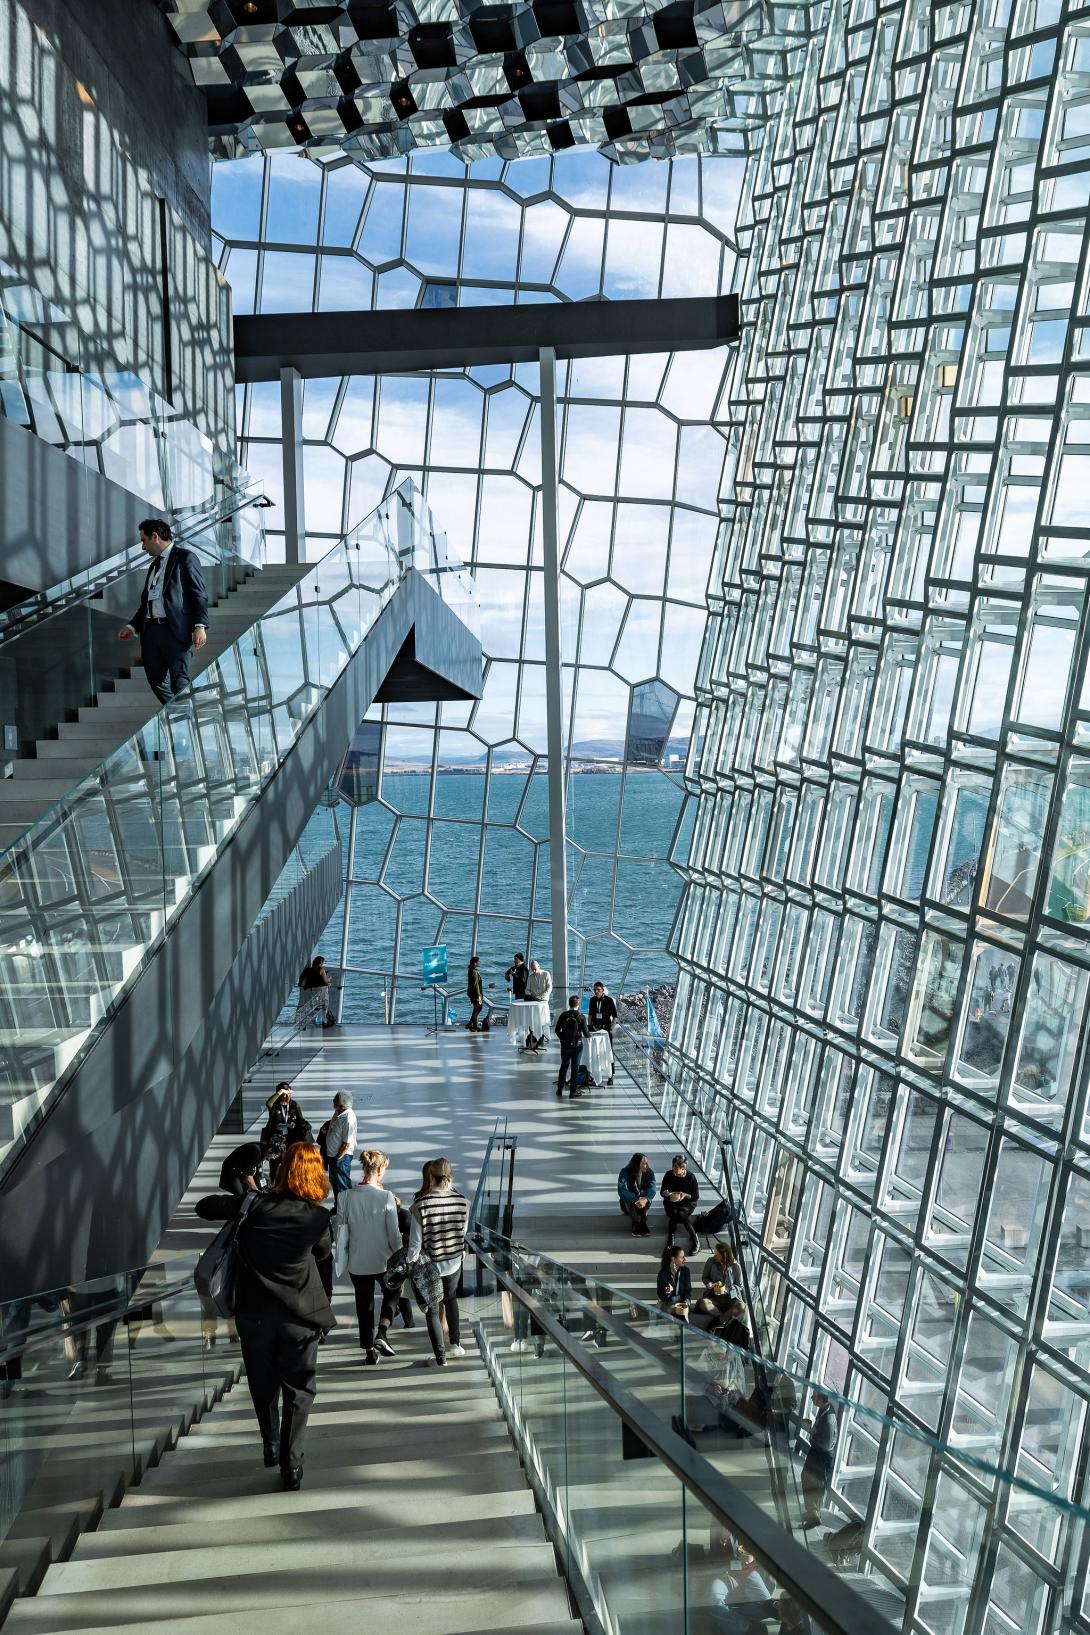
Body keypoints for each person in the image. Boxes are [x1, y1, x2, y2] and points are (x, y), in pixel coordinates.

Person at [195, 1142, 334, 1489]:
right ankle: (291, 1464)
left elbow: (204, 1207)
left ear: (284, 1169)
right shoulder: (317, 1217)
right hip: (300, 1318)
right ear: (317, 1175)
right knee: (300, 1390)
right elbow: (324, 1253)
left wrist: (246, 1190)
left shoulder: (254, 1207)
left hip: (253, 1315)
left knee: (262, 1384)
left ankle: (271, 1444)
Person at [118, 518, 208, 703]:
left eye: (144, 540)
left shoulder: (185, 557)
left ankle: (185, 718)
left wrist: (200, 626)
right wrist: (132, 626)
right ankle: (178, 713)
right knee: (156, 681)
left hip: (175, 629)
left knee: (179, 680)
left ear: (155, 536)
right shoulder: (154, 565)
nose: (143, 547)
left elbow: (199, 594)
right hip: (151, 632)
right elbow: (146, 603)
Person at [335, 1148, 402, 1365]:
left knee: (364, 1306)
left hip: (357, 1262)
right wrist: (400, 1254)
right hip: (383, 1260)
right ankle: (382, 1332)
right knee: (393, 1291)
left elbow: (341, 1229)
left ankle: (369, 1352)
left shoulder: (344, 1197)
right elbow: (393, 1235)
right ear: (380, 1169)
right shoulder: (386, 1197)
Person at [409, 1157, 469, 1366]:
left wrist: (410, 1263)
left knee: (432, 1310)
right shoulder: (463, 1202)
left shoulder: (421, 1205)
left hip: (430, 1265)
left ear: (430, 1177)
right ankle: (456, 1344)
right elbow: (463, 1233)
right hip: (453, 1261)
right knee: (451, 1299)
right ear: (450, 1176)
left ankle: (440, 1357)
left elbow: (415, 1244)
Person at [800, 1390, 838, 1527]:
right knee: (808, 1478)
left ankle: (814, 1517)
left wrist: (810, 1431)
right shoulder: (824, 1409)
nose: (811, 1398)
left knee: (814, 1483)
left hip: (821, 1455)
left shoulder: (828, 1419)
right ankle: (812, 1512)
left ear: (821, 1400)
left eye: (814, 1397)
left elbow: (825, 1444)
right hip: (818, 1453)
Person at [262, 1083, 312, 1161]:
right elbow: (269, 1103)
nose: (287, 1096)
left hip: (292, 1137)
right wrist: (281, 1091)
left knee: (291, 1161)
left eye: (289, 1093)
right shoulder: (275, 1106)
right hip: (277, 1138)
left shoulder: (294, 1105)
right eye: (285, 1094)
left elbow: (301, 1120)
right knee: (276, 1162)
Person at [661, 1154, 700, 1252]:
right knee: (674, 1213)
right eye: (673, 1166)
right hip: (671, 1202)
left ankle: (696, 1241)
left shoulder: (691, 1177)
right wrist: (665, 1193)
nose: (673, 1169)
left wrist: (685, 1195)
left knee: (681, 1213)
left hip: (687, 1203)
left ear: (683, 1168)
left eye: (676, 1167)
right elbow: (662, 1192)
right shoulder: (668, 1174)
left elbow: (695, 1196)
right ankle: (671, 1241)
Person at [696, 1241, 744, 1319]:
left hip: (730, 1298)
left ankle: (717, 1321)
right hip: (713, 1297)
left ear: (724, 1256)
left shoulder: (736, 1266)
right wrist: (708, 1283)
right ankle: (722, 1318)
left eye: (717, 1255)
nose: (714, 1256)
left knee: (741, 1306)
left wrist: (726, 1290)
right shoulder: (711, 1261)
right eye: (714, 1253)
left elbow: (739, 1286)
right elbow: (705, 1277)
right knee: (703, 1303)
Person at [554, 995, 589, 1097]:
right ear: (578, 1005)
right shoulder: (581, 1017)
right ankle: (572, 1091)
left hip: (565, 1045)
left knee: (563, 1066)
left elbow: (557, 1030)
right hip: (577, 1046)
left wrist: (563, 1039)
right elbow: (586, 1033)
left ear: (569, 1004)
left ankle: (559, 1089)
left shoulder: (563, 1015)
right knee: (575, 1068)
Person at [323, 1091, 356, 1198]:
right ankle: (338, 1206)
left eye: (335, 1103)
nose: (333, 1104)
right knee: (335, 1183)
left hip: (341, 1158)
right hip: (333, 1156)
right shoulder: (339, 1112)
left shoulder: (348, 1119)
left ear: (342, 1106)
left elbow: (346, 1144)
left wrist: (337, 1160)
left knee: (343, 1186)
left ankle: (346, 1210)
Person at [618, 1152, 656, 1235]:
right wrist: (636, 1200)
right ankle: (635, 1224)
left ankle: (643, 1222)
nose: (646, 1166)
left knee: (645, 1195)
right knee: (630, 1197)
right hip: (628, 1204)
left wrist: (645, 1199)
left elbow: (652, 1188)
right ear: (637, 1164)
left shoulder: (649, 1172)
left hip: (643, 1203)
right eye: (643, 1163)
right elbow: (622, 1190)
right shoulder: (625, 1172)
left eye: (647, 1163)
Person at [588, 981, 617, 1083]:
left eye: (598, 990)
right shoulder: (592, 1000)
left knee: (609, 1051)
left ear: (603, 990)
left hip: (606, 1029)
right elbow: (590, 1015)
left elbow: (615, 1016)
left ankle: (611, 1075)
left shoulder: (609, 1000)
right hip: (595, 1029)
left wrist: (612, 1028)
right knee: (594, 1051)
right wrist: (590, 1026)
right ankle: (593, 1073)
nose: (596, 992)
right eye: (595, 990)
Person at [295, 956, 332, 1029]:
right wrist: (329, 979)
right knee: (323, 1005)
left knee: (305, 1006)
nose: (322, 964)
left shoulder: (308, 970)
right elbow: (325, 981)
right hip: (319, 991)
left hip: (308, 991)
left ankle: (301, 1022)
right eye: (322, 962)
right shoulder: (321, 970)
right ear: (320, 963)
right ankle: (321, 1022)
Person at [524, 959, 552, 1049]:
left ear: (539, 966)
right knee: (533, 1019)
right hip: (533, 1001)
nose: (534, 971)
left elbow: (549, 988)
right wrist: (533, 996)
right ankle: (533, 1037)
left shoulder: (546, 974)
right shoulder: (531, 977)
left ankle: (542, 1037)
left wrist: (541, 996)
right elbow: (527, 989)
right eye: (533, 969)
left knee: (542, 1019)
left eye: (535, 969)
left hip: (543, 1001)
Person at [657, 1245, 692, 1320]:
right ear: (673, 1259)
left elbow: (688, 1290)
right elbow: (660, 1295)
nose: (684, 1259)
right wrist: (667, 1292)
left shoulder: (685, 1271)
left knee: (682, 1313)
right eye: (682, 1257)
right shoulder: (662, 1274)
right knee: (673, 1311)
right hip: (668, 1303)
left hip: (681, 1303)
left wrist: (686, 1303)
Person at [466, 955, 485, 1031]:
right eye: (478, 962)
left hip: (472, 993)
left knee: (476, 1009)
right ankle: (472, 1024)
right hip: (475, 994)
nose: (479, 963)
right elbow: (476, 985)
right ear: (475, 963)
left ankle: (473, 1025)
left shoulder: (470, 970)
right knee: (478, 1008)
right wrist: (478, 996)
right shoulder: (474, 972)